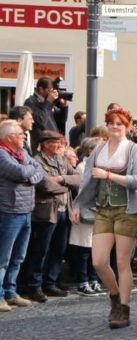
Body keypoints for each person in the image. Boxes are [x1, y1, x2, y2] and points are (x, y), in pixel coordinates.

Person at [70, 108, 137, 329]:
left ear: (127, 127)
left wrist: (109, 175)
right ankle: (114, 295)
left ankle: (123, 308)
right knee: (98, 261)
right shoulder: (99, 150)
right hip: (103, 210)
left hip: (127, 209)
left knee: (122, 262)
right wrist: (79, 204)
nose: (114, 126)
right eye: (111, 123)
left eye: (119, 124)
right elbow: (87, 180)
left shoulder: (135, 150)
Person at [17, 131, 80, 302]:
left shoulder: (61, 159)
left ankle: (50, 283)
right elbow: (44, 185)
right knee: (41, 251)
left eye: (60, 142)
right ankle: (34, 286)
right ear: (45, 144)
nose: (60, 145)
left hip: (63, 210)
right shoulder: (37, 161)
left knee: (58, 250)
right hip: (45, 212)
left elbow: (79, 178)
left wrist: (60, 178)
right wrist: (66, 186)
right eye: (55, 142)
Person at [0, 120, 45, 312]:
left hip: (26, 210)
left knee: (19, 256)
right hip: (9, 212)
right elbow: (20, 172)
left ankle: (11, 291)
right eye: (20, 134)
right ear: (9, 137)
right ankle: (0, 295)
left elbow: (39, 170)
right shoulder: (2, 155)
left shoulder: (22, 152)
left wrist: (30, 174)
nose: (24, 137)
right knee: (3, 258)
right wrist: (29, 173)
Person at [68, 137, 106, 297]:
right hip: (86, 212)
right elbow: (84, 190)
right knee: (84, 249)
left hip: (99, 212)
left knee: (96, 249)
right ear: (91, 151)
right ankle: (83, 282)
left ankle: (94, 280)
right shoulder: (83, 167)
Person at [24, 77, 68, 153]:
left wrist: (64, 107)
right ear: (41, 89)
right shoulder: (31, 102)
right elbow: (41, 122)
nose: (52, 92)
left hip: (54, 143)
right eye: (49, 89)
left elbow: (62, 119)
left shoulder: (46, 102)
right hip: (42, 145)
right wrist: (48, 102)